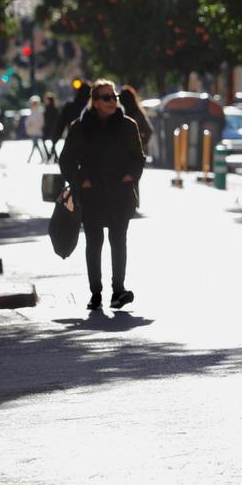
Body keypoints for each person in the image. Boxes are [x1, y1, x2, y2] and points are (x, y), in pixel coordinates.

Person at [58, 79, 146, 311]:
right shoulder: (80, 127)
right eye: (106, 97)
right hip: (92, 194)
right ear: (95, 102)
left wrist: (130, 176)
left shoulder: (128, 125)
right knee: (94, 243)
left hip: (120, 194)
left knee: (118, 242)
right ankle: (95, 293)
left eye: (114, 96)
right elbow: (66, 159)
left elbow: (138, 158)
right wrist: (80, 181)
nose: (113, 101)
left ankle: (118, 290)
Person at [118, 86, 153, 158]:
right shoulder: (119, 112)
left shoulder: (137, 113)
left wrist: (140, 144)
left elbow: (148, 131)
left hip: (133, 153)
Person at [54, 82, 91, 146]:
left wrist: (55, 140)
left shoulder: (69, 107)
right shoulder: (92, 108)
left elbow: (61, 125)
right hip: (88, 143)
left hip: (72, 142)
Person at [25, 95, 46, 163]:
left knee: (35, 145)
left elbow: (41, 122)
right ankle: (42, 157)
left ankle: (30, 159)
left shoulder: (39, 112)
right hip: (32, 131)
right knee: (35, 145)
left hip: (37, 131)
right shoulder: (32, 112)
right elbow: (27, 122)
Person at [42, 92, 60, 162]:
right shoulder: (46, 108)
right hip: (48, 129)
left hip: (52, 129)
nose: (45, 101)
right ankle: (52, 156)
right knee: (48, 143)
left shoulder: (54, 109)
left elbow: (56, 120)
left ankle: (53, 156)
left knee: (53, 144)